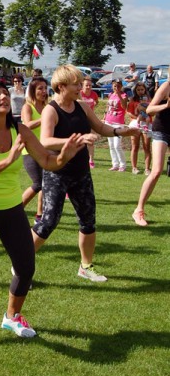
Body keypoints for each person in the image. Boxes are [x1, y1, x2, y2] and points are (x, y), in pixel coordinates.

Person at [0, 80, 84, 337]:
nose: (4, 97)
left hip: (11, 207)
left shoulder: (21, 130)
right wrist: (8, 160)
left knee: (26, 266)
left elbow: (47, 161)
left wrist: (65, 156)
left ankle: (12, 317)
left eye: (5, 93)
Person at [33, 65, 139, 282]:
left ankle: (86, 266)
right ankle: (21, 265)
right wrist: (78, 139)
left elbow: (101, 128)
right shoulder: (51, 110)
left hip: (81, 173)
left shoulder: (82, 106)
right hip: (57, 172)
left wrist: (121, 131)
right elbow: (45, 141)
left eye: (81, 83)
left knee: (88, 221)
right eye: (76, 84)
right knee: (48, 222)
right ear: (61, 86)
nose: (80, 87)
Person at [132, 76, 170, 226]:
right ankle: (138, 210)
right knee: (156, 171)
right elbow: (150, 109)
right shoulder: (166, 86)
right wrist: (166, 106)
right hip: (162, 131)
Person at [20, 77, 49, 222]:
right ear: (32, 91)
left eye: (45, 88)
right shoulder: (27, 107)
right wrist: (44, 118)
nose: (44, 91)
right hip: (30, 151)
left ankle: (39, 215)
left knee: (45, 184)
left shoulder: (46, 108)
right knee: (38, 183)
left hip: (44, 151)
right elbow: (27, 125)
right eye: (40, 88)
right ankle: (16, 211)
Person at [127, 82, 152, 175]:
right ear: (135, 90)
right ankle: (134, 168)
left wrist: (145, 109)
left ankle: (147, 169)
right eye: (138, 90)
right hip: (136, 123)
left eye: (142, 89)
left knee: (146, 147)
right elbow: (129, 112)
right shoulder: (133, 100)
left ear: (145, 89)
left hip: (147, 123)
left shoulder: (149, 100)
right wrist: (137, 117)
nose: (140, 91)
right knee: (135, 146)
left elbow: (152, 112)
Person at [104, 79, 128, 171]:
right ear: (112, 86)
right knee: (111, 145)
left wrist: (119, 95)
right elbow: (108, 107)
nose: (116, 88)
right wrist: (104, 117)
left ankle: (122, 164)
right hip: (108, 121)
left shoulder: (124, 95)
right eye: (115, 86)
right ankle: (115, 164)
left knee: (117, 145)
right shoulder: (110, 95)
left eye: (118, 86)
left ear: (121, 86)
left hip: (118, 122)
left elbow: (124, 107)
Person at [80, 77, 100, 168]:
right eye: (86, 85)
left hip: (90, 120)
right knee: (80, 140)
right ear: (82, 86)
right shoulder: (79, 94)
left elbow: (96, 101)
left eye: (90, 85)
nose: (88, 87)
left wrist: (95, 104)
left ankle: (91, 160)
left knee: (90, 141)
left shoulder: (94, 94)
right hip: (79, 119)